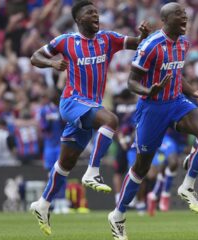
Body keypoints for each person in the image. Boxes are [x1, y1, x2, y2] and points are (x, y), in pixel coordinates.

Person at [29, 0, 150, 236]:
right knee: (111, 120)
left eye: (97, 12)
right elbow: (35, 57)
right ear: (78, 20)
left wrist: (143, 36)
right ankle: (93, 171)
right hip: (72, 101)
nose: (96, 15)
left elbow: (138, 44)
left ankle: (42, 204)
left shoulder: (107, 39)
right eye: (90, 13)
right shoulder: (66, 41)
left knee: (67, 162)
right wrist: (52, 62)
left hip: (89, 106)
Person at [108, 3, 198, 240]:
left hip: (176, 102)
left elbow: (174, 74)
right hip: (152, 108)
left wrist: (192, 93)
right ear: (166, 20)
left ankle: (187, 185)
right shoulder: (150, 45)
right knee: (142, 167)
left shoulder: (184, 43)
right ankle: (118, 214)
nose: (184, 17)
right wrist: (149, 90)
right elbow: (131, 82)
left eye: (185, 14)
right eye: (179, 14)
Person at [37, 89, 68, 214]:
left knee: (62, 172)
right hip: (49, 146)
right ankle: (52, 201)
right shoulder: (44, 110)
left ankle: (62, 201)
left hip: (60, 144)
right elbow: (42, 127)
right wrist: (48, 122)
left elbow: (66, 124)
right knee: (50, 174)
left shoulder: (62, 108)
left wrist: (60, 119)